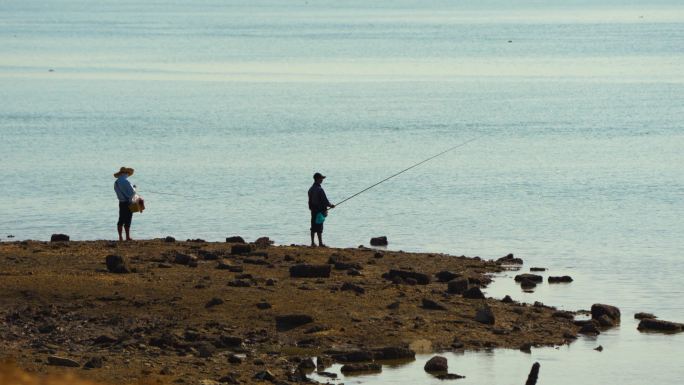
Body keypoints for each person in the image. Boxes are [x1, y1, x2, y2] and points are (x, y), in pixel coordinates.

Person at [308, 172, 335, 247]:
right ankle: (320, 243)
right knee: (319, 227)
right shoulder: (320, 189)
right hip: (320, 211)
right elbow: (325, 201)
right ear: (317, 179)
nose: (322, 180)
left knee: (313, 226)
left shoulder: (310, 189)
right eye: (321, 178)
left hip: (313, 210)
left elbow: (310, 201)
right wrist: (331, 205)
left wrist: (312, 208)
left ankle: (312, 243)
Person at [113, 167, 136, 241]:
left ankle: (120, 237)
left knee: (121, 219)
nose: (128, 175)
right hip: (128, 202)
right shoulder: (126, 182)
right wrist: (134, 187)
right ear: (125, 173)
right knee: (128, 220)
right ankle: (127, 237)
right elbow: (133, 193)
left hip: (121, 203)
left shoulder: (116, 183)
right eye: (127, 173)